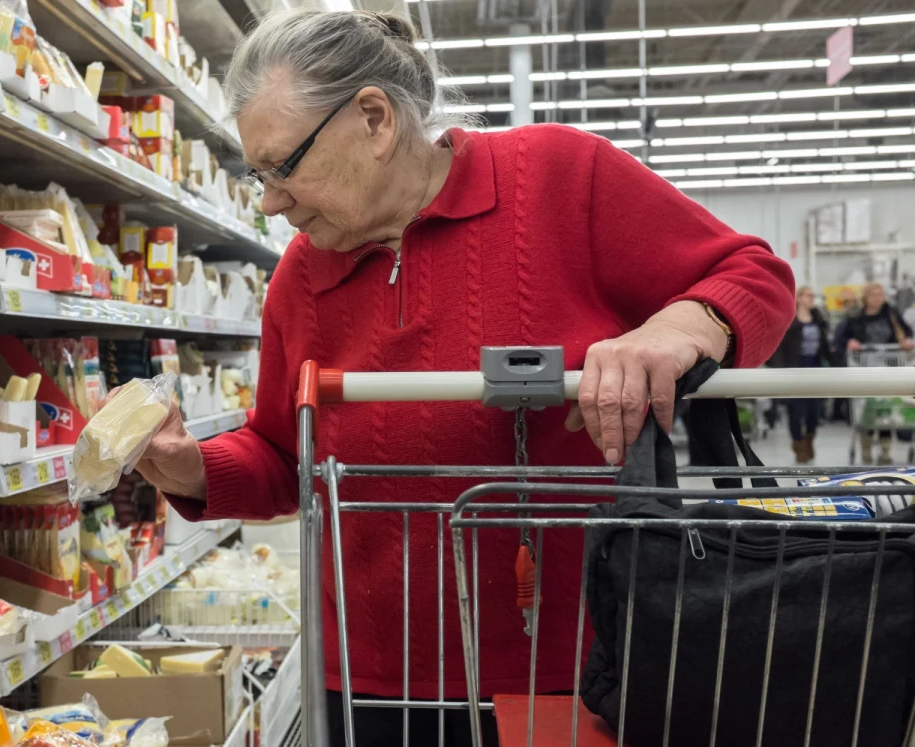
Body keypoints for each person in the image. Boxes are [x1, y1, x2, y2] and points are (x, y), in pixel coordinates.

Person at [125, 10, 794, 746]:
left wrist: (674, 331)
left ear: (374, 119)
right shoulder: (299, 278)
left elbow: (755, 276)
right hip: (374, 684)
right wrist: (191, 468)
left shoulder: (561, 179)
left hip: (582, 670)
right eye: (258, 175)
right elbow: (287, 458)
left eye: (282, 167)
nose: (269, 201)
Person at [845, 283, 915, 464]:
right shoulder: (856, 317)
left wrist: (907, 341)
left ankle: (885, 451)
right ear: (866, 297)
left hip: (889, 368)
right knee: (868, 409)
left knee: (886, 408)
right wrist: (850, 343)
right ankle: (866, 446)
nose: (878, 297)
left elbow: (907, 332)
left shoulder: (891, 313)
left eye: (881, 294)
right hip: (863, 369)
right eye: (874, 294)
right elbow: (842, 338)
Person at [770, 286, 831, 462]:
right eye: (808, 295)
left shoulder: (819, 320)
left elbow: (825, 346)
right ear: (799, 298)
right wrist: (780, 369)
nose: (811, 299)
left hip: (815, 369)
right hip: (794, 370)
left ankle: (809, 439)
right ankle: (798, 443)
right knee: (795, 410)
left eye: (813, 296)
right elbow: (779, 347)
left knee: (814, 410)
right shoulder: (789, 320)